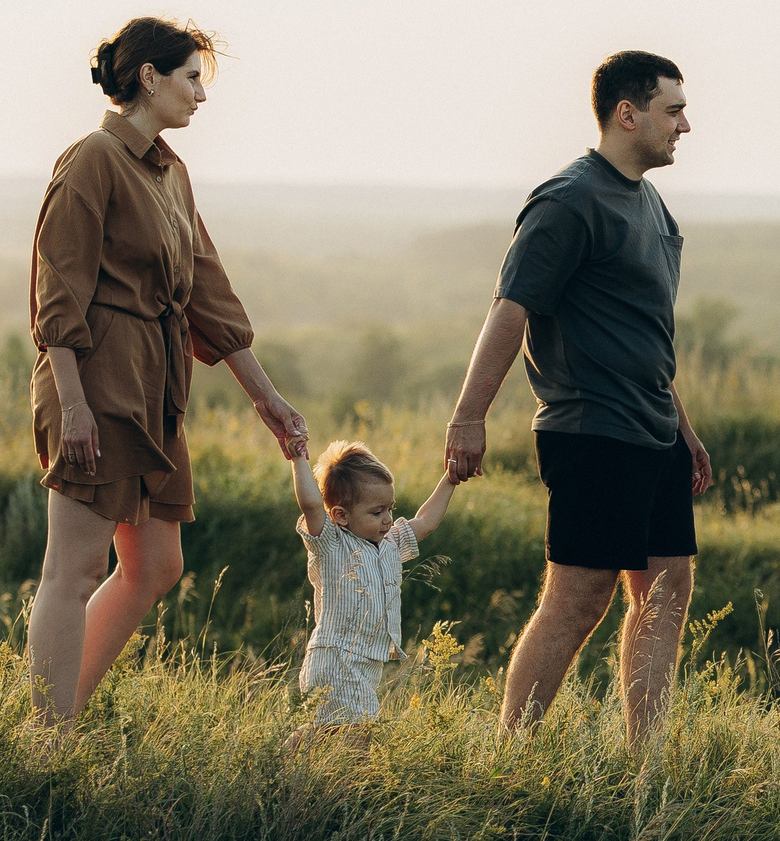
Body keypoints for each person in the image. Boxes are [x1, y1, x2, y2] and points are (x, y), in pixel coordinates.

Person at [27, 17, 310, 720]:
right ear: (149, 78)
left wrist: (267, 399)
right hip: (94, 380)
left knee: (156, 565)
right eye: (192, 78)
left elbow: (209, 294)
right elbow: (56, 289)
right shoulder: (93, 158)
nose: (201, 97)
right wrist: (71, 403)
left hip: (156, 387)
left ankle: (62, 713)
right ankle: (45, 738)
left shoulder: (169, 171)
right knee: (76, 566)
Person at [443, 50, 713, 745]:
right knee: (579, 598)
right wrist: (469, 415)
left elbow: (644, 329)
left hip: (650, 429)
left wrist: (682, 425)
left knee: (666, 590)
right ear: (628, 114)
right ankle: (510, 755)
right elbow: (510, 309)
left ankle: (644, 763)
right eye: (673, 109)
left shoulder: (650, 202)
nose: (686, 125)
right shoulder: (568, 199)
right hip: (591, 430)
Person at [289, 440, 458, 725]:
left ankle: (285, 758)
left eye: (390, 509)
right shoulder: (332, 543)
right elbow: (311, 504)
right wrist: (297, 459)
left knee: (330, 736)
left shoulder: (390, 542)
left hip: (368, 663)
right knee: (358, 735)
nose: (388, 520)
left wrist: (450, 479)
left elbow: (425, 521)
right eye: (377, 512)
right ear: (340, 515)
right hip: (336, 658)